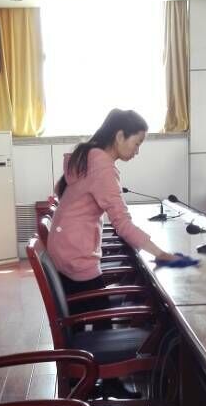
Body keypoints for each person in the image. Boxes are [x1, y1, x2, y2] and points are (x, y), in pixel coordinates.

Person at [47, 108, 183, 313]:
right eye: (137, 143)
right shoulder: (102, 166)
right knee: (108, 319)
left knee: (108, 308)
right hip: (76, 257)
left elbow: (61, 190)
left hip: (64, 248)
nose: (137, 151)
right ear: (120, 136)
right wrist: (161, 254)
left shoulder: (88, 156)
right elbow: (122, 223)